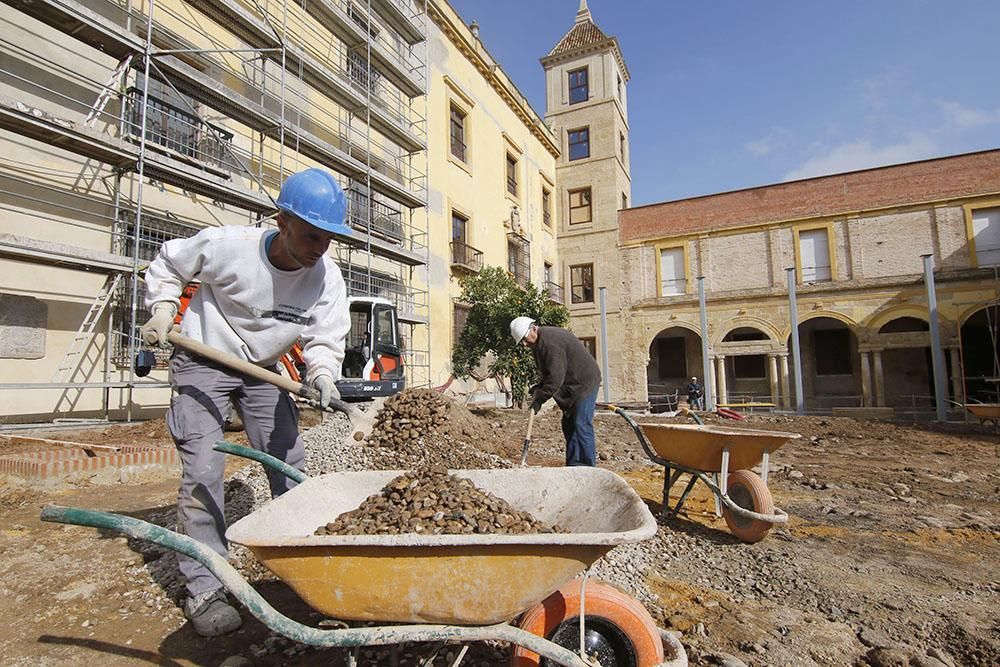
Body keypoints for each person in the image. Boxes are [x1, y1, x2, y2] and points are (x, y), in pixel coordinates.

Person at [140, 168, 351, 637]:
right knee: (203, 469)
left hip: (263, 369)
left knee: (288, 463)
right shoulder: (228, 246)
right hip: (202, 357)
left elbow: (325, 336)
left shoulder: (326, 278)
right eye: (311, 235)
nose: (319, 247)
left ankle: (305, 568)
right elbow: (169, 264)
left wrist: (320, 373)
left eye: (329, 239)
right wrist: (160, 308)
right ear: (282, 221)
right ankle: (205, 586)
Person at [510, 316, 601, 466]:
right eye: (522, 343)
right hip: (572, 384)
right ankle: (574, 466)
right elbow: (547, 373)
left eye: (525, 339)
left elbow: (555, 379)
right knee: (569, 425)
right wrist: (539, 388)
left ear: (533, 328)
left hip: (584, 383)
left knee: (581, 424)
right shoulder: (538, 344)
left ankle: (589, 469)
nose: (525, 344)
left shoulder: (550, 343)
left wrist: (540, 399)